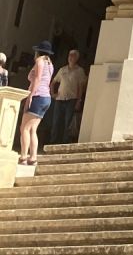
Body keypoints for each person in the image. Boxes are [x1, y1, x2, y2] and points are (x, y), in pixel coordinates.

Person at [17, 41, 55, 169]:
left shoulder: (40, 61)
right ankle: (33, 157)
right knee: (33, 129)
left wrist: (30, 96)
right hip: (46, 97)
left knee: (24, 128)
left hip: (38, 96)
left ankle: (23, 156)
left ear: (38, 52)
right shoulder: (50, 64)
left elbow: (37, 78)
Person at [47, 49, 87, 146]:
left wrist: (79, 101)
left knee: (68, 122)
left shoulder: (80, 71)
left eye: (73, 55)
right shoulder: (62, 69)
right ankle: (53, 140)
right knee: (56, 120)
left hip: (71, 99)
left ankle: (65, 142)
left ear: (77, 58)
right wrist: (53, 93)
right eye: (70, 55)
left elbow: (81, 87)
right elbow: (53, 82)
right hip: (60, 98)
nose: (71, 57)